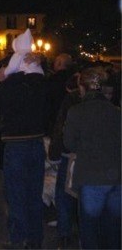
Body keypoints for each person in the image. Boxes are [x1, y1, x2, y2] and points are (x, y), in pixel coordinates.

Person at [0, 29, 48, 249]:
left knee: (16, 194)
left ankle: (18, 238)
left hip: (16, 144)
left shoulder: (9, 84)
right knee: (34, 194)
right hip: (36, 143)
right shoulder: (40, 83)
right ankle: (35, 239)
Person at [64, 67, 121, 249]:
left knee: (89, 228)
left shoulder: (76, 111)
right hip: (117, 177)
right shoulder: (116, 111)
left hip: (91, 176)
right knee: (113, 229)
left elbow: (69, 144)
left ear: (83, 87)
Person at [48, 73, 81, 249]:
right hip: (86, 156)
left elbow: (61, 126)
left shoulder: (71, 101)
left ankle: (64, 233)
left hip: (70, 155)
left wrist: (55, 151)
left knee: (63, 194)